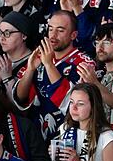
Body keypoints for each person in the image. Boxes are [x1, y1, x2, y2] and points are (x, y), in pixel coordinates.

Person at [13, 10, 96, 142]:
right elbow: (21, 98)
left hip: (69, 138)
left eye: (60, 30)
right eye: (50, 29)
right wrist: (30, 69)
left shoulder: (84, 63)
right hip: (38, 138)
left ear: (73, 35)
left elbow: (71, 104)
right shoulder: (40, 57)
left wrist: (49, 65)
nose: (53, 35)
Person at [0, 11, 36, 93]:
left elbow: (20, 104)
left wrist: (7, 78)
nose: (2, 38)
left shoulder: (34, 64)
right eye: (1, 33)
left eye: (7, 33)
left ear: (24, 36)